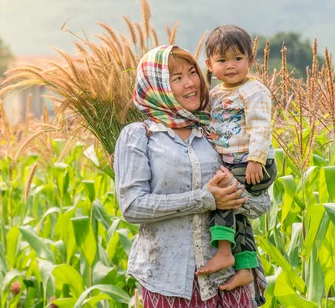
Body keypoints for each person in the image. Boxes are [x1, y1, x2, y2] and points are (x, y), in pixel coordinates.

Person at [113, 44, 270, 307]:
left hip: (228, 281)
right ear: (156, 87)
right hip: (168, 283)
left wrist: (235, 193)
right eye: (177, 78)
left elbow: (261, 203)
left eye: (192, 73)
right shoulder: (139, 135)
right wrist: (207, 199)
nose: (190, 84)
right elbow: (132, 207)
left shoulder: (216, 127)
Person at [197, 25, 276, 291]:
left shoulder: (254, 92)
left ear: (250, 61)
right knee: (239, 216)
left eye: (237, 59)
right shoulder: (218, 93)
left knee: (223, 195)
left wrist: (256, 159)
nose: (230, 66)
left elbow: (261, 127)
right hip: (236, 162)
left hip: (253, 163)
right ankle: (245, 266)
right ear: (209, 64)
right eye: (222, 60)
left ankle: (223, 251)